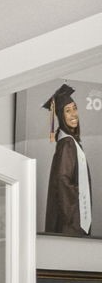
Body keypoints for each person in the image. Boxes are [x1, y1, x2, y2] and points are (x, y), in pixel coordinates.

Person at [43, 82, 91, 236]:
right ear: (61, 116)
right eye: (68, 111)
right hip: (70, 224)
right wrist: (74, 219)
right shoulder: (67, 144)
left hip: (71, 222)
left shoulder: (71, 142)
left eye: (75, 109)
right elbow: (63, 181)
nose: (73, 114)